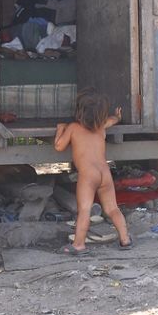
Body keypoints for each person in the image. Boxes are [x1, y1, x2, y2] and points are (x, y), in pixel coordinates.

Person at [54, 87, 132, 254]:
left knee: (85, 210)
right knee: (112, 208)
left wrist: (61, 128)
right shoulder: (101, 126)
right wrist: (117, 117)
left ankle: (79, 244)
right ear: (100, 114)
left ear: (79, 112)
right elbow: (112, 120)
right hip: (105, 172)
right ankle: (125, 239)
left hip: (88, 175)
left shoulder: (73, 128)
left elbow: (59, 146)